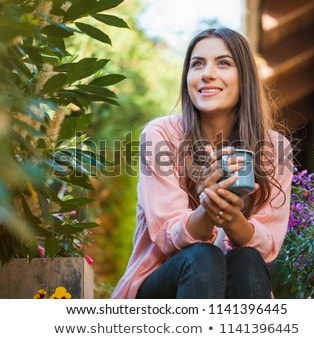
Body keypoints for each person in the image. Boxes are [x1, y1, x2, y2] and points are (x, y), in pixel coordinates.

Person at [111, 27, 293, 299]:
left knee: (249, 260)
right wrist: (206, 211)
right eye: (197, 64)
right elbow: (167, 238)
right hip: (161, 288)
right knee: (202, 257)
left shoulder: (275, 148)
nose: (207, 73)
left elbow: (267, 246)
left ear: (245, 77)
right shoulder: (161, 135)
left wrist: (232, 219)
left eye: (223, 63)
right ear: (187, 78)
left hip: (236, 284)